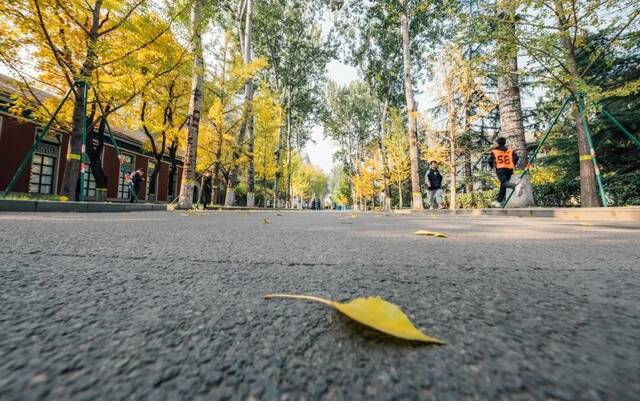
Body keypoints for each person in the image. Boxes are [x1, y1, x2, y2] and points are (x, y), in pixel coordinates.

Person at [488, 137, 519, 207]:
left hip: (500, 168)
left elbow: (490, 160)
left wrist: (492, 166)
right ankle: (499, 201)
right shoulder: (510, 150)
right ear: (505, 142)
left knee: (504, 183)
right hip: (509, 169)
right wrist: (512, 164)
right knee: (503, 184)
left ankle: (516, 186)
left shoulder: (494, 151)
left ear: (498, 143)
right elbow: (516, 158)